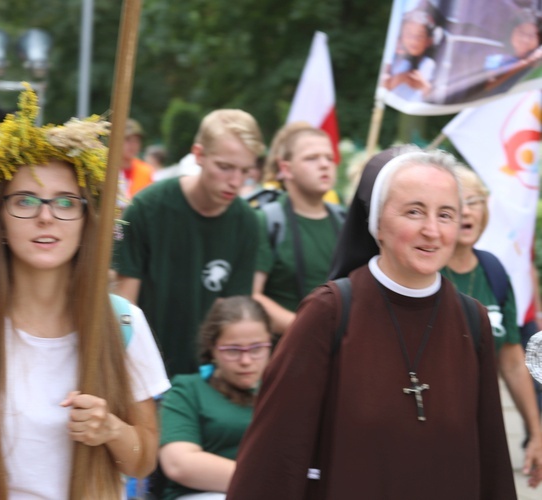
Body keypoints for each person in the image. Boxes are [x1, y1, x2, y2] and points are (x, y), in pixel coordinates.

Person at [0, 89, 170, 498]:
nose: (46, 216)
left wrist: (112, 430)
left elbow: (143, 459)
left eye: (66, 202)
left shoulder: (124, 324)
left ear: (87, 219)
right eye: (26, 201)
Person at [227, 147, 517, 498]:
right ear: (377, 223)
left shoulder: (473, 320)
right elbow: (274, 454)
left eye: (446, 215)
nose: (432, 230)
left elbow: (492, 455)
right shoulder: (329, 312)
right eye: (414, 212)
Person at [113, 109, 264, 376]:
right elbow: (124, 304)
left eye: (245, 171)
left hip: (205, 378)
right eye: (225, 167)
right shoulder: (147, 208)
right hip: (142, 370)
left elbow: (234, 312)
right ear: (199, 155)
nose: (236, 182)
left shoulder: (248, 222)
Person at [442, 165, 542, 487]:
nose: (467, 210)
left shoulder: (494, 272)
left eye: (475, 200)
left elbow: (512, 361)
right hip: (426, 423)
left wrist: (536, 432)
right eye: (457, 201)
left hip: (477, 427)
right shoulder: (424, 271)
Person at [159, 296, 273, 500]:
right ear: (212, 349)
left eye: (256, 349)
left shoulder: (281, 393)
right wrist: (266, 480)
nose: (246, 361)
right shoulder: (188, 390)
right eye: (232, 350)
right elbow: (179, 464)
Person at [252, 123, 343, 334]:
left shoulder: (345, 220)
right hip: (286, 355)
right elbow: (252, 297)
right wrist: (308, 330)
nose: (324, 165)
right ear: (285, 169)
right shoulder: (267, 220)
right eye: (312, 158)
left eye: (329, 158)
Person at [381, 10, 436, 102]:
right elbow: (382, 83)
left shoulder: (429, 65)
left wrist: (423, 85)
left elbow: (436, 97)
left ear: (428, 41)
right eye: (409, 34)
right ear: (401, 36)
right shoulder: (393, 57)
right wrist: (400, 78)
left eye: (419, 36)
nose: (413, 41)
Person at [120, 118, 154, 200]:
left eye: (137, 141)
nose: (133, 145)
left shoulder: (147, 171)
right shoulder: (104, 169)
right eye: (128, 140)